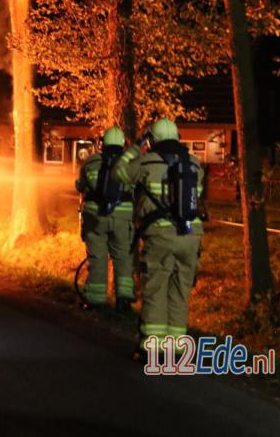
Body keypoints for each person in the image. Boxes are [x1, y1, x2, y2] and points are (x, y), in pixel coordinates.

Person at [113, 118, 205, 356]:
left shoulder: (146, 162)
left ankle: (151, 350)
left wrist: (135, 146)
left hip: (160, 235)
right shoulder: (194, 164)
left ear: (151, 140)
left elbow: (119, 173)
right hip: (191, 236)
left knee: (155, 290)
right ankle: (176, 349)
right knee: (180, 291)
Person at [75, 126, 135, 311]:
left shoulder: (91, 162)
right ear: (123, 144)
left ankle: (94, 301)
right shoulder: (130, 165)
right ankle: (124, 300)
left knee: (98, 258)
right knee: (123, 259)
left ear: (103, 143)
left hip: (96, 218)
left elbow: (80, 186)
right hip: (123, 219)